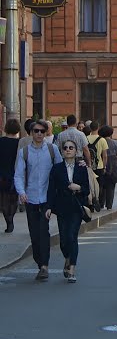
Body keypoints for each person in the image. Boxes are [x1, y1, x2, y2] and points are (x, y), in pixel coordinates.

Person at [13, 119, 63, 280]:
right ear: (31, 133)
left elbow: (60, 170)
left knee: (43, 231)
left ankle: (44, 266)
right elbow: (19, 174)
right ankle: (39, 262)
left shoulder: (52, 149)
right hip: (31, 198)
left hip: (47, 198)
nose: (40, 134)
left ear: (46, 132)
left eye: (42, 131)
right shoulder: (25, 152)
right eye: (36, 131)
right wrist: (21, 192)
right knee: (34, 234)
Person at [46, 140, 89, 282]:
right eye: (65, 148)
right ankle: (68, 257)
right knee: (64, 240)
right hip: (62, 207)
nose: (68, 150)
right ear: (62, 152)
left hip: (76, 207)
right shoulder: (56, 169)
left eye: (71, 148)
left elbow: (87, 189)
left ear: (76, 151)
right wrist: (49, 207)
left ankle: (72, 269)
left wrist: (79, 188)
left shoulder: (82, 168)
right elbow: (51, 189)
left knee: (72, 236)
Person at [0, 119, 21, 232]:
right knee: (13, 199)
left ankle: (8, 220)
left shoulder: (1, 141)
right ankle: (11, 217)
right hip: (15, 174)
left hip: (2, 174)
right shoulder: (19, 143)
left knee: (4, 199)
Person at [99, 125, 117, 210]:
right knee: (111, 186)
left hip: (102, 164)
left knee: (102, 185)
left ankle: (101, 203)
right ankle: (109, 205)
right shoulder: (115, 143)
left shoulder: (100, 142)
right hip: (113, 166)